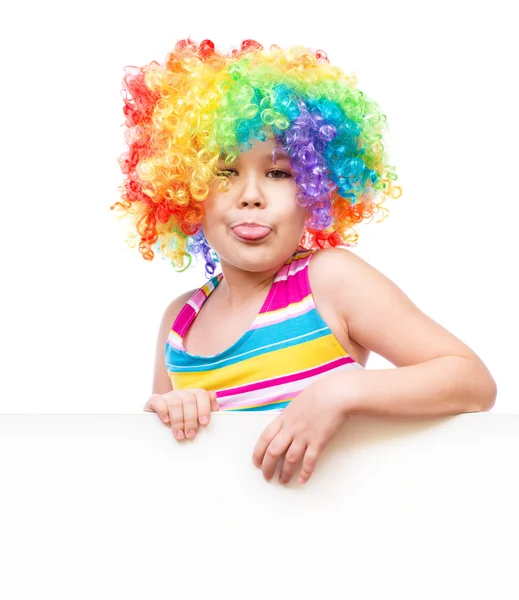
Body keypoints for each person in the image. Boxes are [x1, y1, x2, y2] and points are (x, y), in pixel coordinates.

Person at [111, 38, 497, 486]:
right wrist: (169, 410)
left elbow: (471, 380)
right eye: (224, 171)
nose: (251, 196)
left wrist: (341, 392)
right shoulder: (180, 322)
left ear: (316, 189)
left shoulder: (329, 281)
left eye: (278, 173)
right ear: (186, 188)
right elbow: (161, 467)